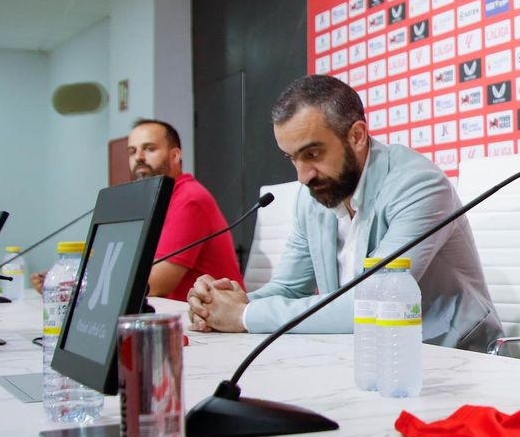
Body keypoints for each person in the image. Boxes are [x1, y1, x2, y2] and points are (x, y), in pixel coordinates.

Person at [187, 76, 500, 351]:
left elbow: (375, 301)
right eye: (291, 158)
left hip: (451, 356)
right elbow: (288, 289)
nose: (303, 176)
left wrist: (243, 315)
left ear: (357, 136)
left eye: (313, 154)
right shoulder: (311, 198)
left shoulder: (419, 185)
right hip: (367, 352)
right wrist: (221, 304)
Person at [128, 119, 243, 301]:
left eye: (149, 149)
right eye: (132, 151)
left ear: (175, 156)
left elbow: (157, 284)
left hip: (211, 321)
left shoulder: (189, 199)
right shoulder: (154, 203)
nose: (139, 157)